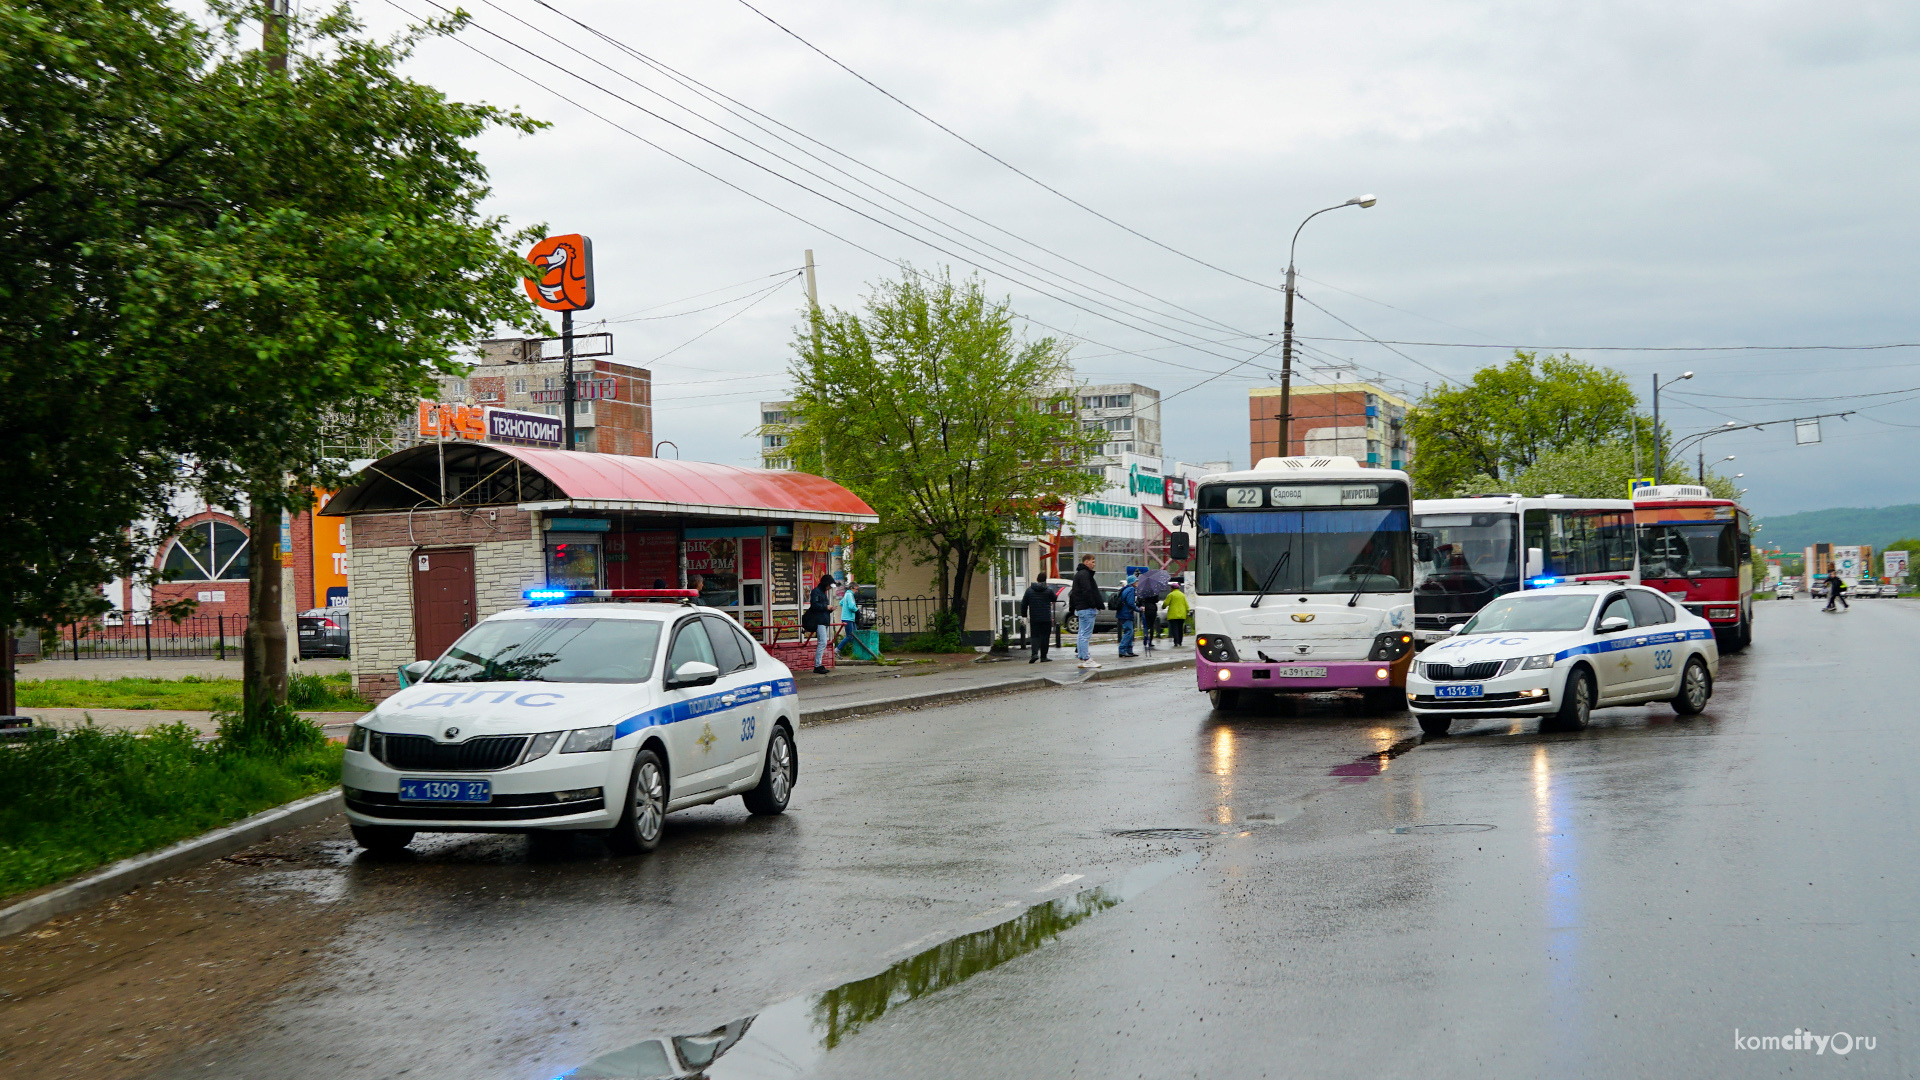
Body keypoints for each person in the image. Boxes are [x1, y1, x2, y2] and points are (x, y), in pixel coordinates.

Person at [1068, 554, 1103, 669]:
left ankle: (1082, 658)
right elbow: (1087, 591)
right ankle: (1087, 659)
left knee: (1081, 634)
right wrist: (1093, 605)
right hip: (1087, 608)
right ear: (1086, 562)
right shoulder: (1085, 575)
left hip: (1081, 608)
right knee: (1085, 635)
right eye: (1092, 561)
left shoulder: (1079, 574)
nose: (1094, 564)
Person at [1020, 573, 1056, 663]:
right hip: (1046, 618)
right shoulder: (1048, 590)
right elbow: (1054, 598)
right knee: (1045, 637)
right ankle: (1044, 657)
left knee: (1035, 636)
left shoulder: (1029, 590)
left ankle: (1034, 654)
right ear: (1045, 580)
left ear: (1037, 579)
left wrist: (1024, 614)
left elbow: (1024, 603)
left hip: (1034, 617)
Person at [804, 574, 835, 672]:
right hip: (819, 621)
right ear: (825, 584)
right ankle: (817, 666)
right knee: (822, 643)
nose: (830, 588)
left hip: (823, 620)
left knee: (822, 643)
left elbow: (820, 606)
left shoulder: (822, 593)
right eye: (829, 585)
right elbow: (814, 606)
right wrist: (826, 607)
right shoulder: (816, 592)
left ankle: (819, 664)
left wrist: (829, 609)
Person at [1116, 575, 1140, 657]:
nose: (1137, 582)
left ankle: (1129, 650)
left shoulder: (1125, 589)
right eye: (1136, 581)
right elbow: (1130, 603)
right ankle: (1122, 650)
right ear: (1132, 582)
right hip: (1126, 613)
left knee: (1130, 631)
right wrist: (1138, 609)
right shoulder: (1131, 589)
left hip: (1122, 613)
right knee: (1129, 632)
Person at [837, 580, 861, 657]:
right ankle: (837, 649)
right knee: (850, 636)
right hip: (848, 618)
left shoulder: (846, 595)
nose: (857, 591)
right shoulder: (850, 595)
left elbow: (841, 603)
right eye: (856, 589)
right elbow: (851, 606)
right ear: (851, 588)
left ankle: (856, 652)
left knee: (855, 635)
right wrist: (857, 611)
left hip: (849, 618)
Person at [1164, 579, 1190, 648]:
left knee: (1174, 628)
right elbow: (1186, 605)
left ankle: (1176, 642)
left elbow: (1165, 604)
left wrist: (1163, 606)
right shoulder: (1182, 595)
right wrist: (1187, 611)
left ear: (1172, 588)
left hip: (1173, 615)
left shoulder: (1171, 595)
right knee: (1180, 628)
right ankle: (1180, 642)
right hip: (1182, 615)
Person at [1139, 585, 1160, 652]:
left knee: (1146, 625)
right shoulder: (1154, 591)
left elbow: (1139, 600)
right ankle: (1150, 641)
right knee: (1152, 625)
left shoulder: (1143, 591)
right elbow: (1157, 600)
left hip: (1146, 608)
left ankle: (1145, 639)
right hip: (1153, 608)